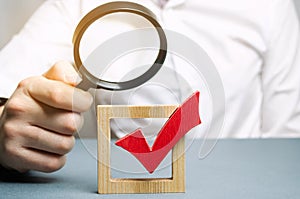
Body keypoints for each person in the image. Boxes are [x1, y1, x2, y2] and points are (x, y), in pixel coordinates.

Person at [1, 0, 300, 173]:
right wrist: (4, 132)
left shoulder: (270, 6)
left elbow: (288, 142)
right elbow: (6, 99)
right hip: (125, 182)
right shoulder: (74, 4)